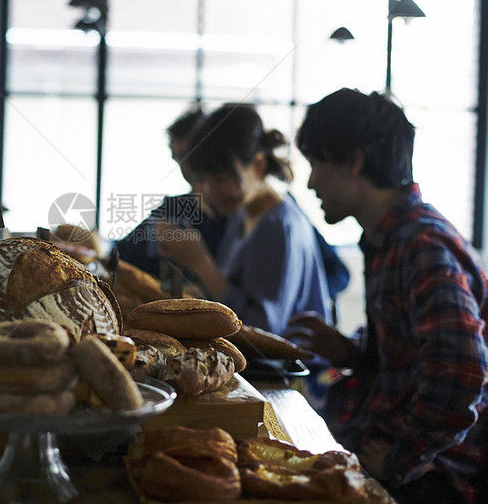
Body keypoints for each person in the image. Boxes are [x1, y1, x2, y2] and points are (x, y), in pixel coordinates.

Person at [285, 88, 488, 504]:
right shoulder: (392, 237)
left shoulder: (422, 244)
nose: (311, 182)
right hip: (387, 448)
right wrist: (349, 351)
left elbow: (461, 372)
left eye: (317, 164)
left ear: (354, 163)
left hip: (427, 479)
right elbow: (412, 357)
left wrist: (400, 460)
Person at [155, 103, 332, 335]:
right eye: (203, 180)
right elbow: (230, 296)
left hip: (283, 368)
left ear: (258, 165)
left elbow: (263, 329)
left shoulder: (277, 225)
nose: (209, 191)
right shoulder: (242, 214)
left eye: (220, 179)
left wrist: (201, 264)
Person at [114, 105, 227, 279]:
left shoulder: (235, 212)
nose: (188, 164)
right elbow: (120, 256)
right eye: (180, 157)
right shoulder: (172, 209)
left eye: (192, 153)